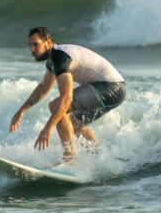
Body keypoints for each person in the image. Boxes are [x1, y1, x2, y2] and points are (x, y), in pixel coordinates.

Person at [10, 27, 126, 160]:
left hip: (111, 87)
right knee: (74, 124)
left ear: (48, 42)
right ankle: (98, 158)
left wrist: (47, 128)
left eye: (35, 44)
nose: (32, 50)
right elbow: (43, 88)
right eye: (30, 46)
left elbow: (67, 98)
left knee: (56, 106)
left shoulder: (61, 58)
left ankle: (69, 159)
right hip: (115, 89)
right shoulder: (53, 61)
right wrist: (21, 111)